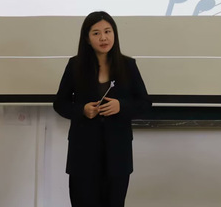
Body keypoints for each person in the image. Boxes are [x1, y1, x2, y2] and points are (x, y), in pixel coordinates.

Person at [54, 11, 151, 207]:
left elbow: (144, 103)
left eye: (108, 31)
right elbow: (60, 103)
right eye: (96, 33)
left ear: (115, 34)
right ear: (87, 39)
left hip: (118, 153)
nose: (103, 38)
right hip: (83, 152)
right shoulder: (75, 65)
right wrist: (82, 110)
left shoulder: (128, 65)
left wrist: (121, 106)